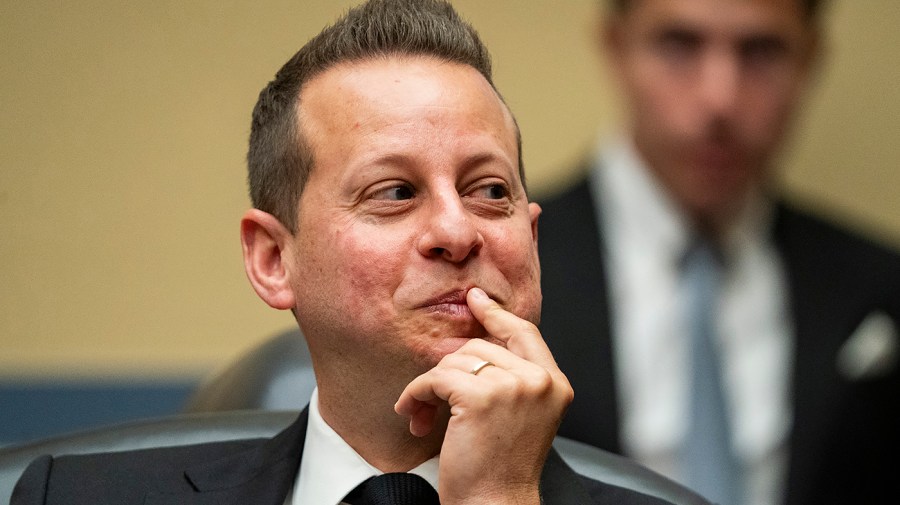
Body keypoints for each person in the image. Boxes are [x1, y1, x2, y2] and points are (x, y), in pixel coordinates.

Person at [10, 1, 689, 504]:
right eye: (395, 191)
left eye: (489, 190)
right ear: (274, 259)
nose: (457, 231)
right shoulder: (72, 496)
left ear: (531, 241)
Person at [538, 0, 900, 504]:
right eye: (679, 45)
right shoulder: (503, 266)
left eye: (762, 51)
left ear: (810, 59)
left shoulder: (878, 285)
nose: (720, 99)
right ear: (616, 47)